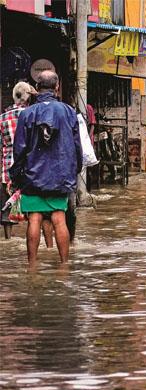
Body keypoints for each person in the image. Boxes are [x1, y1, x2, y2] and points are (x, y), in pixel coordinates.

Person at [9, 71, 82, 266]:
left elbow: (19, 151)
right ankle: (64, 265)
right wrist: (74, 172)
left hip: (33, 176)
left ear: (37, 88)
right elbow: (77, 148)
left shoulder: (27, 114)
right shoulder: (69, 111)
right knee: (59, 218)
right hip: (60, 176)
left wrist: (16, 178)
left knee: (34, 218)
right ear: (57, 87)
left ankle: (32, 267)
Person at [1, 82, 36, 239]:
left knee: (6, 208)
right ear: (29, 97)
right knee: (34, 209)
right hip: (31, 169)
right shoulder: (33, 115)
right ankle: (33, 240)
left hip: (7, 169)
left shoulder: (2, 118)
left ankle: (8, 239)